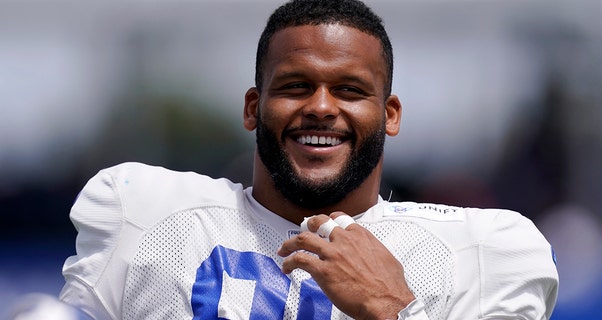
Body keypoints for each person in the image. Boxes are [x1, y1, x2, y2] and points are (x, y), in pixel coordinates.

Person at [59, 0, 559, 319]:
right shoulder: (145, 217)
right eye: (297, 86)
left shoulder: (482, 251)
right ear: (254, 108)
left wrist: (391, 310)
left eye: (349, 90)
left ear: (390, 115)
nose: (321, 107)